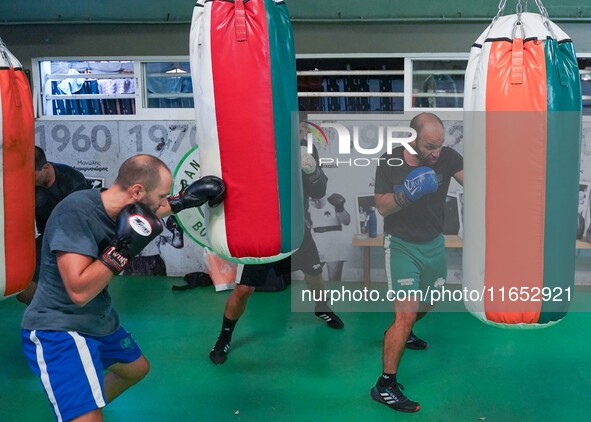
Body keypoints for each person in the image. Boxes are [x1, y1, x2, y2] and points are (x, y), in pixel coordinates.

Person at [21, 154, 225, 421]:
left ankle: (79, 407)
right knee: (88, 418)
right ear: (137, 191)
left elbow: (154, 209)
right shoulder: (76, 214)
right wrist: (121, 251)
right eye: (163, 195)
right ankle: (80, 413)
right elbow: (79, 291)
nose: (165, 201)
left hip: (98, 319)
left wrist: (185, 200)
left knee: (135, 368)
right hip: (60, 327)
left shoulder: (120, 205)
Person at [208, 123, 344, 365]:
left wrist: (311, 171)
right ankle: (224, 336)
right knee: (244, 289)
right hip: (262, 229)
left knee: (314, 272)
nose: (300, 134)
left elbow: (318, 191)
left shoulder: (306, 151)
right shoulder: (258, 150)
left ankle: (321, 307)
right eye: (296, 129)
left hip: (294, 227)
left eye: (303, 130)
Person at [372, 112, 463, 413]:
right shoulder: (390, 162)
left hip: (434, 244)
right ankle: (385, 385)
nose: (435, 153)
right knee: (405, 315)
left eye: (439, 146)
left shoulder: (447, 157)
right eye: (429, 147)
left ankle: (406, 331)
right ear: (412, 138)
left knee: (431, 301)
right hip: (401, 246)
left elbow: (474, 182)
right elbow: (382, 207)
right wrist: (406, 194)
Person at [17, 146, 91, 305]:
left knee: (78, 288)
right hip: (47, 239)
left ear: (45, 168)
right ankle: (47, 309)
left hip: (75, 239)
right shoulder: (26, 185)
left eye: (33, 175)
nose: (28, 180)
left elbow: (83, 223)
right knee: (21, 286)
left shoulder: (73, 181)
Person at [309, 193, 351, 281]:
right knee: (312, 278)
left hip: (335, 243)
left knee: (334, 280)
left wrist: (340, 207)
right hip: (316, 242)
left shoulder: (332, 199)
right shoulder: (306, 202)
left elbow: (347, 221)